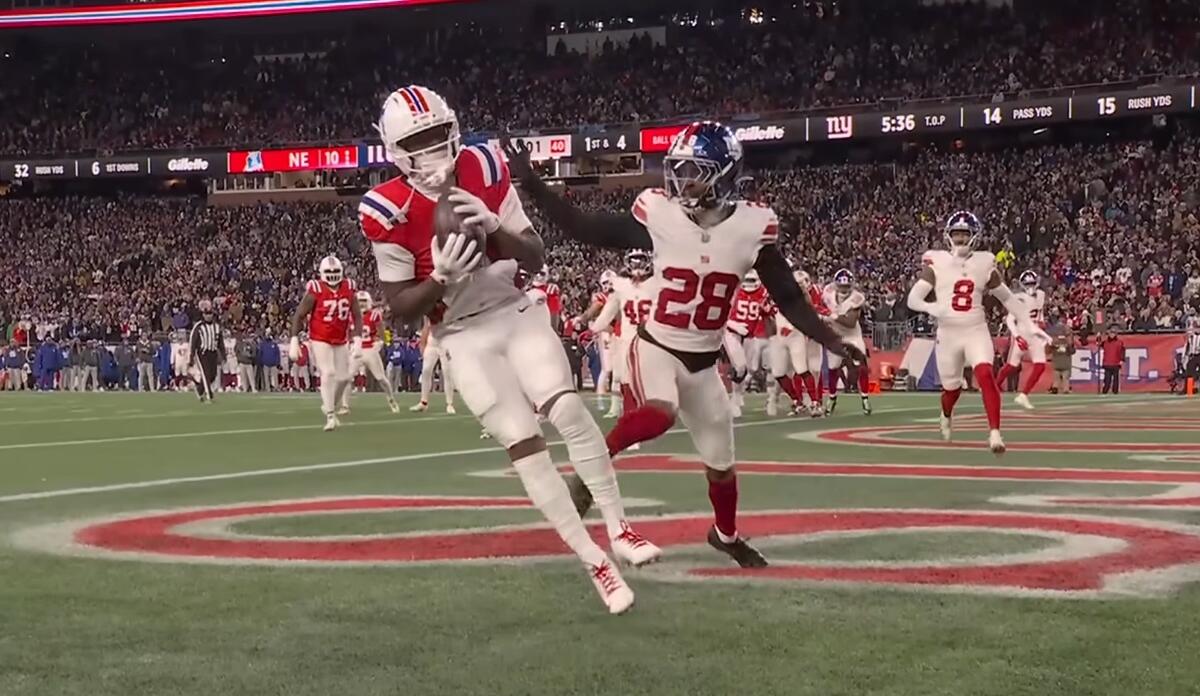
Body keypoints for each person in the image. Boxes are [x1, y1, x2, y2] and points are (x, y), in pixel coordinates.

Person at [510, 121, 865, 568]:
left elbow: (789, 298)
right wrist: (533, 184)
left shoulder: (753, 227)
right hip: (656, 344)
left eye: (694, 171)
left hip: (704, 362)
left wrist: (832, 339)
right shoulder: (661, 214)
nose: (681, 180)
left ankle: (726, 535)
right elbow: (585, 227)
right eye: (678, 169)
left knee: (722, 466)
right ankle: (588, 468)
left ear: (724, 175)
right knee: (660, 412)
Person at [361, 85, 655, 613]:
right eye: (418, 142)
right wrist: (440, 280)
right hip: (461, 335)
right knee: (524, 444)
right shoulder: (386, 208)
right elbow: (400, 307)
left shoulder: (484, 165)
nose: (431, 149)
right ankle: (594, 561)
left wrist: (494, 226)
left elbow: (534, 256)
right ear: (396, 150)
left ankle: (619, 527)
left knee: (567, 408)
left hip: (513, 310)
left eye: (437, 135)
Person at [906, 211, 1047, 455]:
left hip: (975, 328)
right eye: (956, 234)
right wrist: (932, 307)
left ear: (974, 236)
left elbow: (1008, 298)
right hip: (948, 334)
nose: (960, 239)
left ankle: (995, 433)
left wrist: (1029, 324)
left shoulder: (984, 263)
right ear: (948, 236)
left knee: (985, 373)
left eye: (965, 234)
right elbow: (913, 299)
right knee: (952, 390)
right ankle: (946, 414)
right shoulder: (937, 262)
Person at [288, 255, 363, 431]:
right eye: (329, 271)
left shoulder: (349, 287)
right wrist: (294, 339)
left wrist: (358, 339)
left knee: (344, 378)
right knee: (328, 372)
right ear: (322, 273)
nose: (332, 274)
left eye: (336, 271)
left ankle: (329, 405)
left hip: (340, 338)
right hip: (320, 338)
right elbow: (299, 315)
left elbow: (357, 315)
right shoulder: (316, 289)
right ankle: (330, 415)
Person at [587, 250, 654, 421]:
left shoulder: (651, 286)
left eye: (640, 261)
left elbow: (605, 316)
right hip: (635, 339)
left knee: (638, 379)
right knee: (625, 378)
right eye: (634, 261)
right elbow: (607, 313)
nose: (637, 265)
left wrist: (593, 327)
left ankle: (642, 414)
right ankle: (634, 415)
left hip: (644, 339)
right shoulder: (652, 286)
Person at [768, 267, 826, 417]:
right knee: (778, 373)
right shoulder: (776, 293)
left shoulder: (803, 298)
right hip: (780, 337)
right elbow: (771, 315)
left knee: (802, 369)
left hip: (795, 335)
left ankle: (815, 403)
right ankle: (797, 401)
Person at [995, 270, 1049, 410]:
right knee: (1012, 366)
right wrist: (1017, 336)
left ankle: (1023, 395)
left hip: (1034, 334)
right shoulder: (1019, 298)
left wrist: (1041, 324)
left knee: (1040, 365)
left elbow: (1040, 312)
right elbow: (1010, 320)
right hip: (1022, 332)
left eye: (1032, 283)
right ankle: (994, 386)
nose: (1030, 287)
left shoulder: (1041, 295)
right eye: (1027, 284)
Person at [822, 268, 871, 416]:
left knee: (861, 366)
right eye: (841, 286)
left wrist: (832, 316)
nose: (844, 289)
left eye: (846, 286)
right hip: (835, 335)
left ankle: (865, 398)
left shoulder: (856, 298)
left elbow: (850, 322)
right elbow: (818, 305)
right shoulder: (828, 293)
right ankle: (832, 398)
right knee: (833, 368)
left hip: (852, 335)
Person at [724, 269, 773, 417]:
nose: (749, 284)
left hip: (750, 334)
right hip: (731, 331)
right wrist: (733, 324)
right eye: (747, 280)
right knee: (739, 367)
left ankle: (738, 395)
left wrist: (767, 309)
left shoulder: (764, 293)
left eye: (752, 281)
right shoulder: (733, 291)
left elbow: (769, 312)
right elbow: (720, 312)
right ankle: (734, 399)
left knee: (750, 368)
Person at [342, 291, 400, 413]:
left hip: (370, 349)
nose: (362, 304)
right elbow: (347, 332)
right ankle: (345, 406)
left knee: (381, 378)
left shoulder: (374, 315)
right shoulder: (351, 316)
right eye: (359, 301)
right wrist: (348, 344)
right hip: (356, 349)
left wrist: (381, 342)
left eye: (364, 301)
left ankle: (391, 400)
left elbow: (381, 331)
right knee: (347, 378)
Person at [410, 319, 456, 414]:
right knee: (426, 370)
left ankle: (449, 403)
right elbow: (426, 326)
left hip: (445, 342)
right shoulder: (430, 312)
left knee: (447, 372)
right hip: (432, 342)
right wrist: (423, 344)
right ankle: (423, 402)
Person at [189, 299, 226, 402]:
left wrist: (223, 355)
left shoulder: (216, 327)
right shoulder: (198, 326)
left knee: (213, 375)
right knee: (206, 374)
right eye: (206, 314)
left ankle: (199, 389)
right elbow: (193, 341)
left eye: (210, 314)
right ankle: (209, 396)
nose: (208, 316)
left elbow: (220, 342)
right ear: (203, 315)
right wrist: (191, 356)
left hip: (213, 353)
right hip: (202, 353)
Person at [1098, 326, 1126, 394]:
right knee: (1107, 380)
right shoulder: (1105, 342)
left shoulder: (1119, 342)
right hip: (1107, 363)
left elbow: (1122, 351)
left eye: (1113, 333)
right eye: (1110, 333)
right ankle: (1105, 391)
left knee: (1116, 380)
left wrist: (1122, 360)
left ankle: (1115, 391)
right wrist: (1098, 337)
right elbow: (1098, 344)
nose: (1111, 335)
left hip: (1116, 363)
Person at [1050, 328, 1076, 394]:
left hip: (1056, 362)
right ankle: (1065, 389)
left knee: (1056, 377)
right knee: (1065, 378)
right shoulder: (1068, 342)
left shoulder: (1054, 341)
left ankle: (1055, 387)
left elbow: (1050, 350)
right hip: (1065, 363)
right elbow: (1072, 351)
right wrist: (1070, 345)